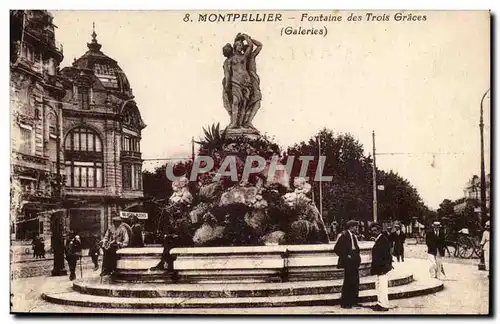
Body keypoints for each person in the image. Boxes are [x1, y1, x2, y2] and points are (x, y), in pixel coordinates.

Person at [333, 220, 361, 309]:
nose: (357, 228)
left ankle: (354, 301)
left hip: (354, 260)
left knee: (356, 281)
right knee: (348, 281)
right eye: (356, 227)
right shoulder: (344, 235)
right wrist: (346, 256)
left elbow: (356, 248)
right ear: (351, 227)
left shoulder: (353, 236)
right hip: (348, 261)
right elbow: (336, 248)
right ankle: (345, 302)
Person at [370, 222, 394, 311]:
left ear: (379, 230)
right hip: (381, 268)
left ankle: (384, 305)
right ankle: (380, 303)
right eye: (372, 231)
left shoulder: (382, 240)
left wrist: (385, 267)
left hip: (382, 268)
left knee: (382, 287)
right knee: (379, 286)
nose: (373, 232)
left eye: (375, 231)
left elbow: (386, 255)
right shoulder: (380, 239)